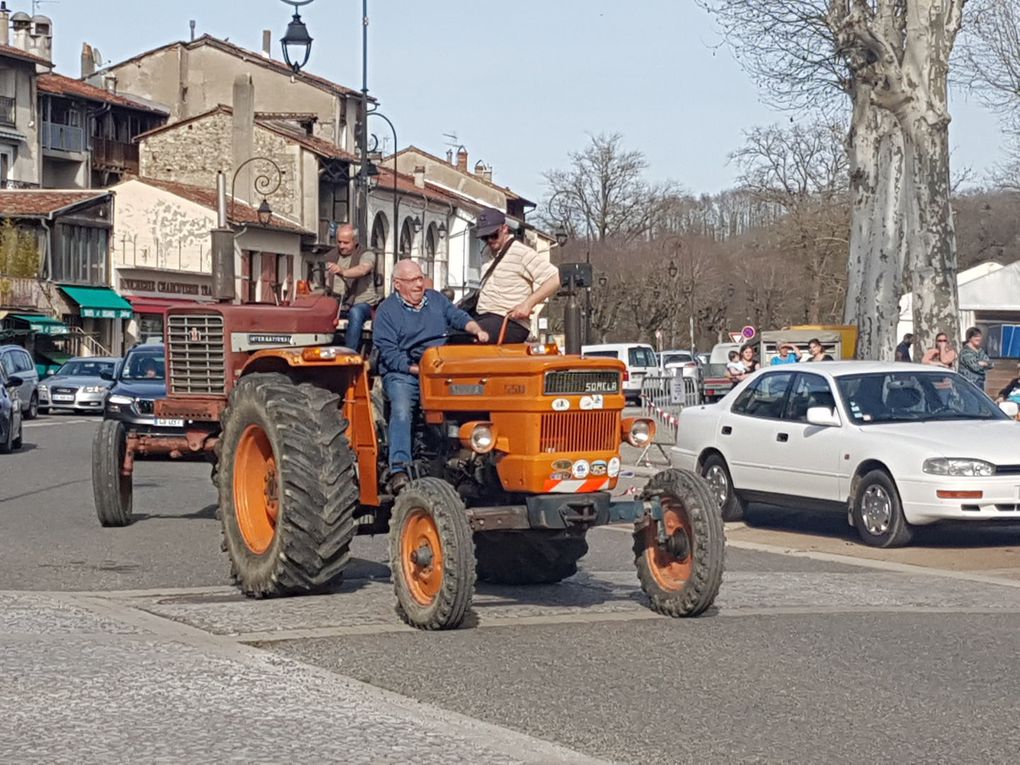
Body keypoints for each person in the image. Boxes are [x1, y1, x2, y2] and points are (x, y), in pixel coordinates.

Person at [373, 260, 489, 493]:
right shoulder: (387, 312)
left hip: (439, 370)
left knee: (475, 399)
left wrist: (476, 329)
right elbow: (390, 354)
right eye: (412, 280)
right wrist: (417, 370)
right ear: (397, 284)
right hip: (405, 372)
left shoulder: (435, 300)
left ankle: (470, 461)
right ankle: (399, 468)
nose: (419, 285)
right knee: (402, 408)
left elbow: (456, 316)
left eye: (420, 278)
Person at [473, 209, 561, 344]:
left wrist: (527, 304)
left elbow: (555, 278)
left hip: (510, 322)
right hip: (484, 317)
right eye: (485, 237)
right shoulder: (486, 253)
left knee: (472, 336)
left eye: (493, 235)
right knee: (447, 333)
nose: (490, 240)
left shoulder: (521, 253)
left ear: (505, 229)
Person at [327, 223, 381, 351]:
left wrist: (343, 272)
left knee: (355, 312)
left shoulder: (366, 255)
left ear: (355, 241)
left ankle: (349, 353)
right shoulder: (331, 256)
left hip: (363, 303)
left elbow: (363, 269)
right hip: (336, 302)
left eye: (346, 243)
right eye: (339, 242)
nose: (341, 246)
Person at [958, 326, 992, 392]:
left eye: (979, 336)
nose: (978, 338)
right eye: (976, 337)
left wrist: (982, 363)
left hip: (980, 382)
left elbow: (991, 364)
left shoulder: (980, 351)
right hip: (969, 383)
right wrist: (982, 364)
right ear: (969, 338)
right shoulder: (966, 352)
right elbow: (975, 367)